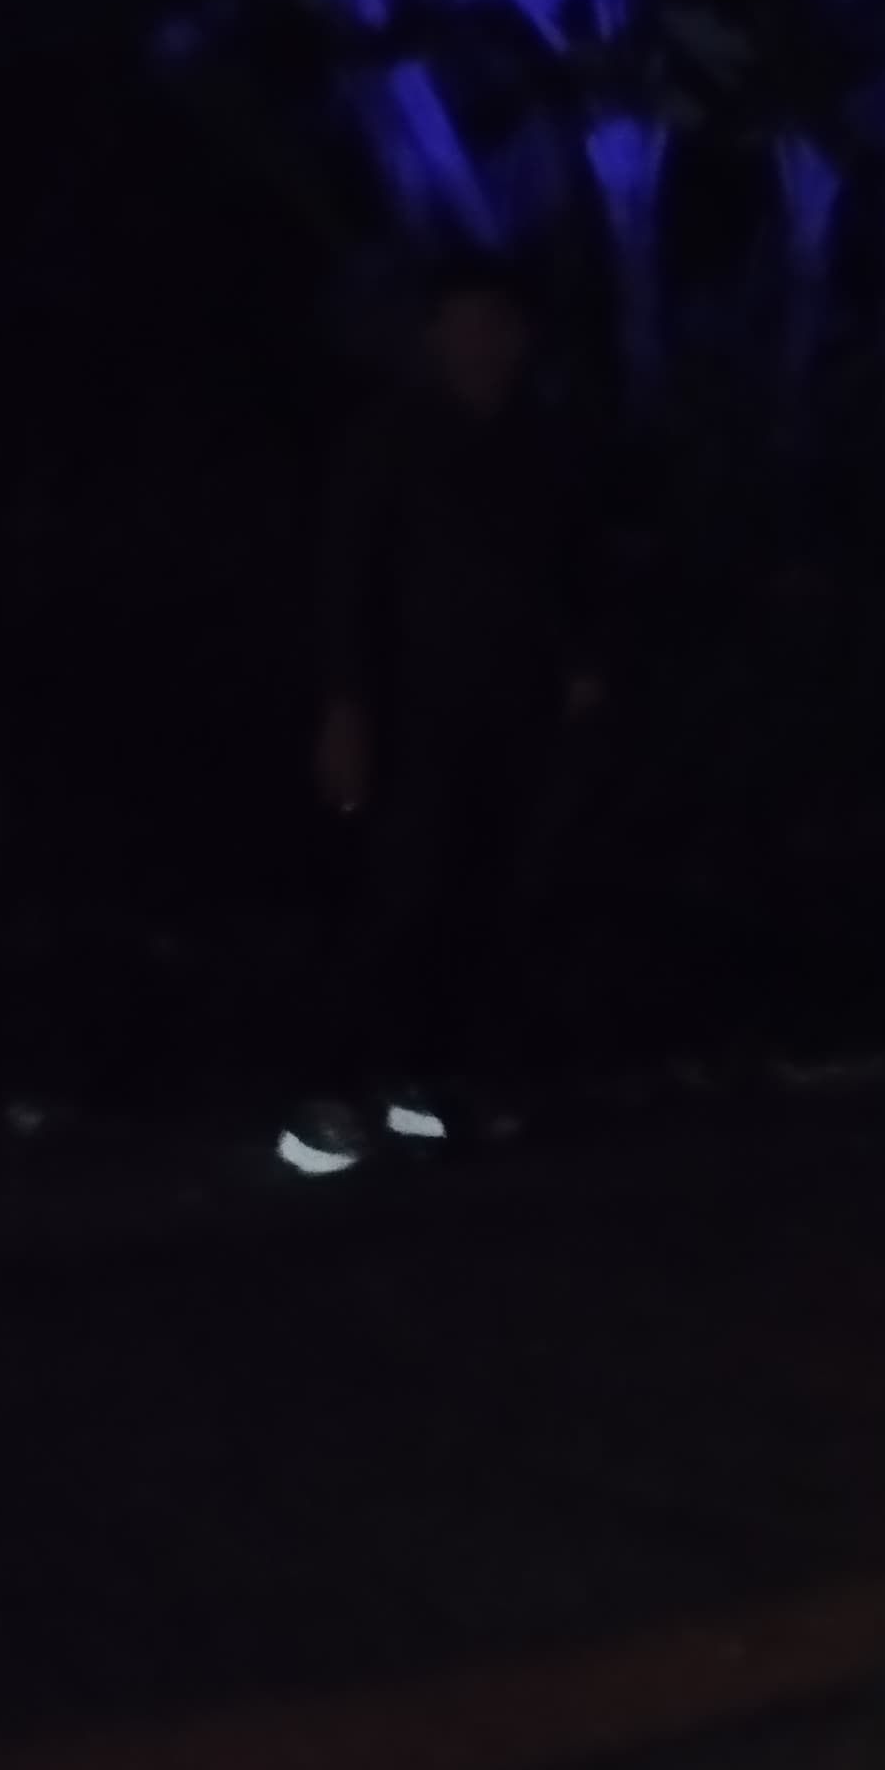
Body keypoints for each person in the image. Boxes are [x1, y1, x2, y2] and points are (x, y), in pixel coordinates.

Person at [285, 257, 597, 1173]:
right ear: (433, 336)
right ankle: (329, 1090)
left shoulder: (539, 440)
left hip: (515, 708)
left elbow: (570, 565)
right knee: (396, 894)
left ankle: (427, 1082)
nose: (479, 342)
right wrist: (344, 704)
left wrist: (582, 667)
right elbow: (344, 573)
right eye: (462, 324)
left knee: (491, 895)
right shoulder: (390, 436)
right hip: (411, 707)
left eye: (495, 324)